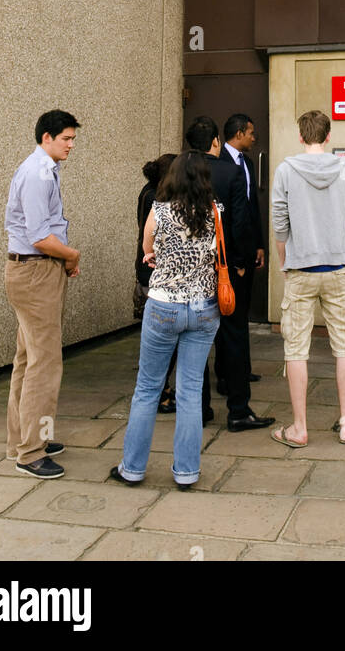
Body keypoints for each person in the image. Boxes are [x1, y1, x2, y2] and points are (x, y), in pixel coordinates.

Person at [111, 151, 221, 488]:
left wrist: (154, 255)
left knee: (147, 388)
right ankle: (187, 472)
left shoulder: (159, 210)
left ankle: (132, 468)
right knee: (190, 391)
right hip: (203, 308)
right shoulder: (215, 212)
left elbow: (147, 249)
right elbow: (219, 252)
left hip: (163, 307)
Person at [270, 109, 345, 448]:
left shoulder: (285, 170)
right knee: (344, 346)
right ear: (328, 136)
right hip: (337, 269)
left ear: (300, 136)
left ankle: (299, 428)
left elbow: (279, 220)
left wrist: (284, 257)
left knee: (296, 349)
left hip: (300, 269)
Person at [4, 109, 82, 479]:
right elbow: (39, 236)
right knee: (45, 364)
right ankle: (31, 453)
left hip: (33, 271)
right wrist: (71, 255)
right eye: (65, 138)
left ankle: (26, 440)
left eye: (72, 139)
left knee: (28, 359)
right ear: (46, 137)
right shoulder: (38, 174)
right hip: (36, 272)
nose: (70, 145)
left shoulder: (42, 169)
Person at [186, 116, 273, 432]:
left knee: (195, 340)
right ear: (214, 142)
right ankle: (238, 410)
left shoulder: (178, 173)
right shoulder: (230, 171)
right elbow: (239, 222)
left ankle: (200, 409)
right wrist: (239, 261)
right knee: (234, 335)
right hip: (225, 269)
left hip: (191, 271)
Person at [214, 113, 265, 403]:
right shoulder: (218, 162)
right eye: (250, 133)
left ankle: (241, 370)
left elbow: (251, 207)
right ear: (238, 133)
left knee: (240, 312)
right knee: (226, 316)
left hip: (247, 250)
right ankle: (225, 374)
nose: (254, 138)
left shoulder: (247, 162)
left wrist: (258, 244)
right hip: (227, 255)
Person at [134, 154, 178, 413]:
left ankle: (161, 388)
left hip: (145, 271)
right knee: (161, 340)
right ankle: (161, 392)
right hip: (154, 273)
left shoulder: (147, 192)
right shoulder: (157, 198)